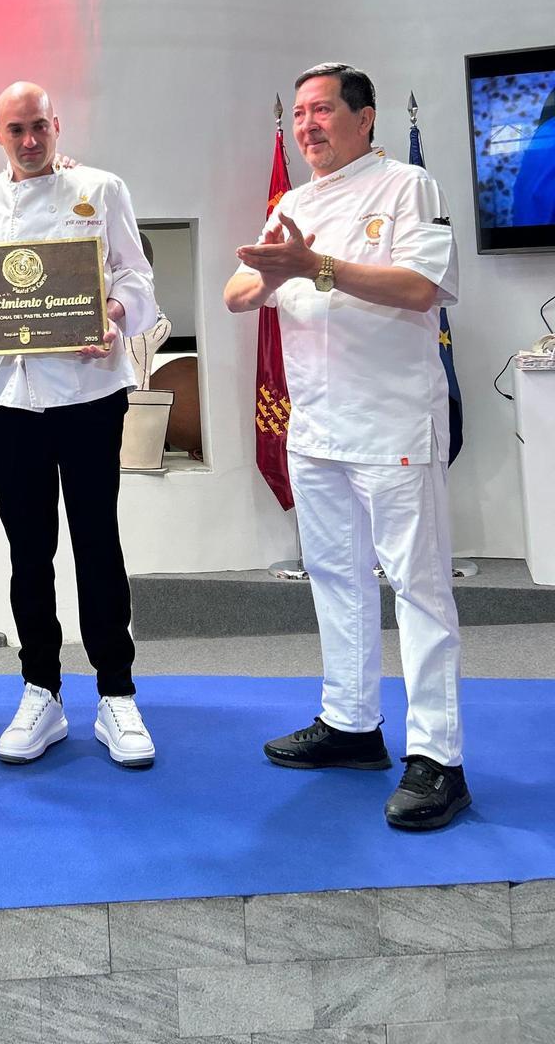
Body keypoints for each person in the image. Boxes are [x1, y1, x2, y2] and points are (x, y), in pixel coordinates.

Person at [224, 62, 468, 830]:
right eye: (299, 115)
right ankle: (352, 724)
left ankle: (439, 758)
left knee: (419, 587)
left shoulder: (405, 188)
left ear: (364, 118)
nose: (307, 126)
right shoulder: (292, 203)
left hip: (393, 422)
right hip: (316, 426)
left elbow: (420, 288)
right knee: (335, 579)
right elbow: (236, 293)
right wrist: (271, 271)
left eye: (323, 110)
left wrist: (314, 267)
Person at [0, 82, 162, 768]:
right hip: (11, 399)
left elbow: (136, 278)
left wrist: (111, 315)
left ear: (57, 124)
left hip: (89, 393)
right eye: (15, 129)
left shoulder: (102, 190)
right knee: (28, 551)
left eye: (39, 126)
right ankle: (40, 689)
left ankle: (116, 693)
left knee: (97, 542)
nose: (28, 140)